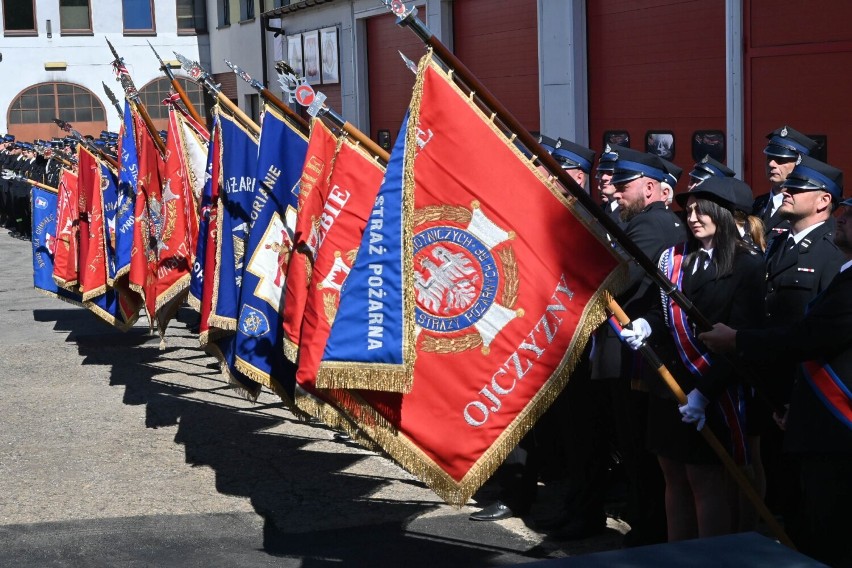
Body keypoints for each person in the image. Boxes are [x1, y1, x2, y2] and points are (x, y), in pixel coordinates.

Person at [698, 197, 852, 568]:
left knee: (832, 537)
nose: (843, 219)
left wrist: (737, 340)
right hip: (821, 421)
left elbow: (807, 337)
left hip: (839, 433)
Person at [620, 176, 765, 541]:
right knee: (673, 477)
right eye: (691, 209)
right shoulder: (673, 257)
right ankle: (677, 555)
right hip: (669, 383)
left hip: (713, 388)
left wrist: (704, 393)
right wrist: (646, 325)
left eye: (704, 209)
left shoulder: (747, 266)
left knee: (705, 480)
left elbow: (742, 338)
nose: (694, 216)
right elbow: (660, 310)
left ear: (726, 214)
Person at [590, 146, 687, 546]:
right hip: (632, 347)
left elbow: (617, 278)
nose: (615, 193)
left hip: (636, 350)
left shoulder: (650, 226)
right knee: (637, 447)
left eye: (624, 186)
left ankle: (648, 528)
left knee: (640, 449)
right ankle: (645, 520)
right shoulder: (648, 221)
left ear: (649, 188)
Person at [757, 154, 845, 531]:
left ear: (823, 200)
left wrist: (797, 397)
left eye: (797, 188)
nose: (785, 191)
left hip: (808, 392)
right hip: (771, 387)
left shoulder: (830, 251)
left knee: (808, 502)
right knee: (774, 484)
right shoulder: (779, 242)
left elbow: (822, 333)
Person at [752, 126, 818, 240]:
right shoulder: (757, 204)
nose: (772, 164)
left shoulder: (806, 208)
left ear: (799, 164)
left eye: (781, 159)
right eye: (769, 158)